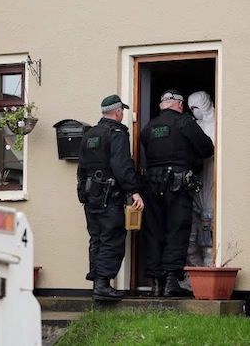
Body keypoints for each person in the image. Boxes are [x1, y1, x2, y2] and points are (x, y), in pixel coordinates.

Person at [140, 89, 214, 298]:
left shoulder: (148, 127)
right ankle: (171, 281)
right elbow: (207, 148)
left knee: (154, 231)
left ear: (162, 105)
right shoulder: (185, 123)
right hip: (178, 185)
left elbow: (147, 147)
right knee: (177, 230)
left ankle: (155, 283)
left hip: (152, 186)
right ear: (180, 105)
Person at [77, 94, 144, 301]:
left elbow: (82, 168)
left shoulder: (89, 134)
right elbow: (122, 166)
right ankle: (103, 285)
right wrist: (134, 191)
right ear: (117, 112)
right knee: (112, 239)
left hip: (90, 196)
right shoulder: (116, 133)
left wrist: (82, 193)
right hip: (110, 196)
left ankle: (98, 282)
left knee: (96, 239)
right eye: (122, 111)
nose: (122, 114)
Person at [186, 91, 215, 267]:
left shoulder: (218, 124)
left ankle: (209, 269)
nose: (194, 111)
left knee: (208, 232)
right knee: (192, 235)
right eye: (191, 109)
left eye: (196, 107)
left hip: (212, 180)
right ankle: (194, 274)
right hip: (196, 182)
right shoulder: (193, 126)